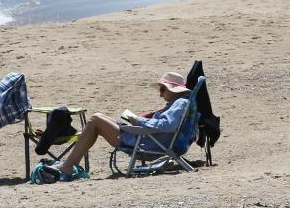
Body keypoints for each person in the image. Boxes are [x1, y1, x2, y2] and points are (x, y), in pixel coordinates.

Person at [52, 71, 192, 180]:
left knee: (95, 120)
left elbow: (167, 125)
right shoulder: (179, 103)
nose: (161, 94)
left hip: (146, 143)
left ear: (173, 89)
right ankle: (69, 164)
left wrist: (138, 120)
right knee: (99, 117)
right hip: (151, 140)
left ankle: (68, 166)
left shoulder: (179, 103)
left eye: (163, 89)